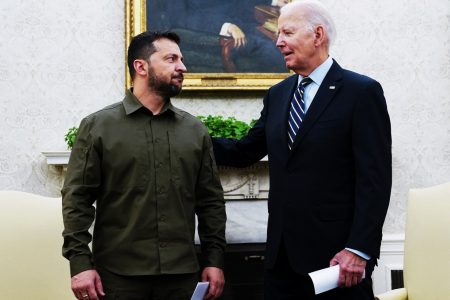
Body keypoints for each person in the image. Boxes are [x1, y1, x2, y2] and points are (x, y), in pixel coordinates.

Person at [212, 1, 392, 299]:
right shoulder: (278, 95)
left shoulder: (361, 92)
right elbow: (244, 151)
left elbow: (374, 180)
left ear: (318, 35)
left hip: (337, 261)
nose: (278, 41)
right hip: (281, 262)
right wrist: (189, 136)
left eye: (287, 33)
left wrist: (358, 249)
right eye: (278, 33)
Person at [61, 31, 226, 300]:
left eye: (181, 59)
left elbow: (211, 202)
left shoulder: (195, 130)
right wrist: (80, 264)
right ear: (141, 66)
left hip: (182, 277)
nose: (182, 67)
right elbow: (76, 199)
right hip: (117, 278)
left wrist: (214, 259)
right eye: (171, 59)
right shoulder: (98, 126)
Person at [147, 0, 287, 72]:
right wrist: (226, 26)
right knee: (275, 51)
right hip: (215, 34)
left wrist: (273, 1)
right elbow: (180, 16)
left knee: (282, 41)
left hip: (243, 26)